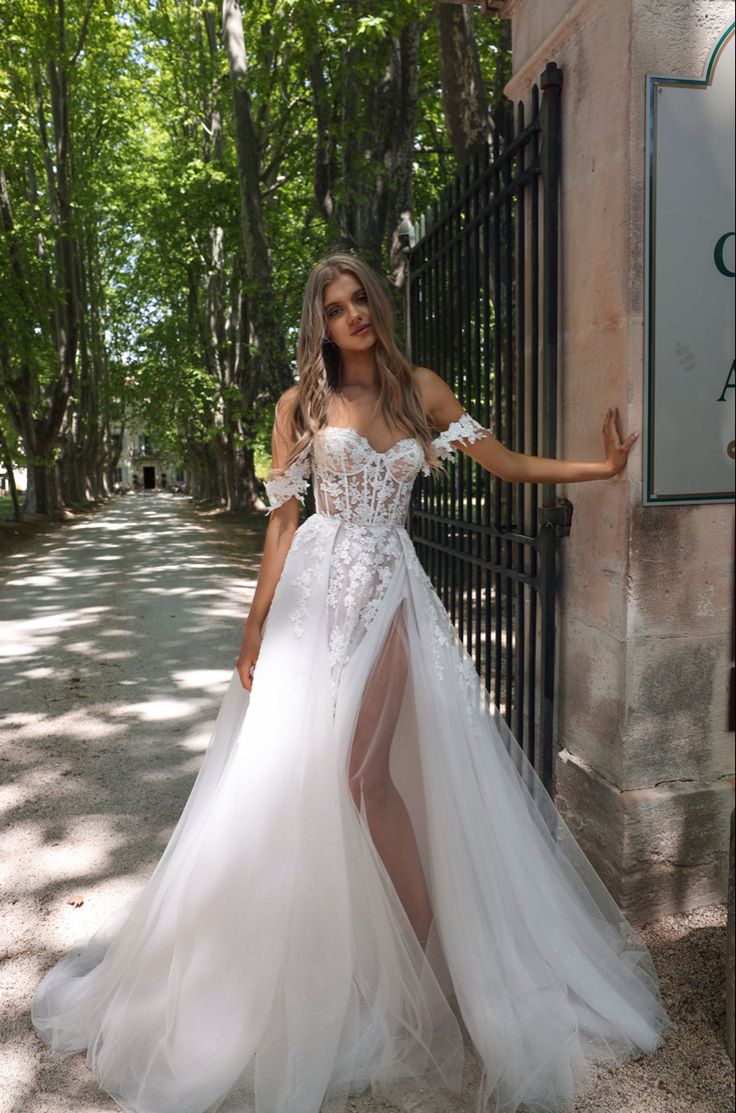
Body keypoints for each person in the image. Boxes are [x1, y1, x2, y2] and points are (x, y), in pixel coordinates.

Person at [31, 253, 670, 1113]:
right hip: (310, 601)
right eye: (336, 307)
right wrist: (255, 624)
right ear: (320, 322)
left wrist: (603, 472)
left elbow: (507, 464)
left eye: (360, 296)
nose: (354, 313)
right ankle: (312, 962)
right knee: (290, 779)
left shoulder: (422, 390)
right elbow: (284, 521)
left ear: (376, 301)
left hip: (391, 593)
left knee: (366, 778)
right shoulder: (301, 403)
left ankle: (424, 965)